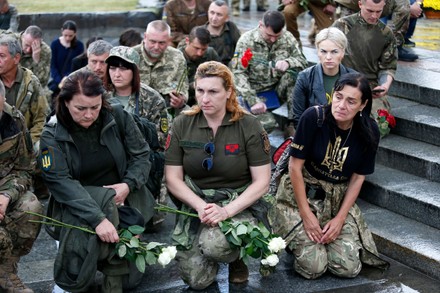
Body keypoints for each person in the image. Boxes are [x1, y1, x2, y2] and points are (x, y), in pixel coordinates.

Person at [39, 70, 154, 292]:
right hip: (79, 207)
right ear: (64, 103)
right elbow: (60, 182)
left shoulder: (118, 116)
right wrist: (99, 219)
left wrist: (128, 184)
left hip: (122, 202)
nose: (89, 115)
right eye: (80, 109)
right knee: (77, 276)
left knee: (130, 281)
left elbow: (141, 155)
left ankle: (112, 249)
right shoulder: (51, 135)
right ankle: (77, 247)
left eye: (95, 107)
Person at [269, 72, 389, 280]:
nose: (341, 105)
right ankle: (295, 241)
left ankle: (320, 241)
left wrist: (340, 218)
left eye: (351, 101)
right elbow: (294, 167)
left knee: (348, 268)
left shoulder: (370, 131)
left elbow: (358, 177)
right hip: (300, 195)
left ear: (363, 105)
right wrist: (306, 215)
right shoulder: (314, 118)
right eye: (339, 96)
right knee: (314, 268)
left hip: (336, 199)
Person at [165, 61, 271, 289]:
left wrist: (226, 211)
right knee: (196, 280)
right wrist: (200, 206)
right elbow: (172, 178)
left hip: (237, 203)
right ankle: (212, 251)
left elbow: (262, 182)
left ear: (229, 91)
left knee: (216, 246)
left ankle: (236, 256)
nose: (205, 99)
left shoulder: (249, 125)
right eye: (200, 91)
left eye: (213, 91)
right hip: (198, 205)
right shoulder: (182, 123)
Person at [0, 80, 43, 293]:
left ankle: (7, 271)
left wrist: (7, 195)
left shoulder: (14, 120)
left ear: (3, 99)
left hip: (4, 187)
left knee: (30, 207)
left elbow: (25, 169)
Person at [232, 10, 307, 131]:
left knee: (293, 76)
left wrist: (288, 62)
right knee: (266, 124)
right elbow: (238, 73)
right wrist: (253, 101)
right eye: (269, 35)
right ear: (261, 25)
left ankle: (294, 125)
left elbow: (302, 61)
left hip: (274, 92)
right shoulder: (246, 41)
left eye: (277, 36)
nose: (273, 40)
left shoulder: (287, 38)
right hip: (251, 94)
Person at [332, 0, 396, 116]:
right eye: (370, 11)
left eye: (378, 11)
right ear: (360, 4)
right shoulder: (342, 26)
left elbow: (388, 66)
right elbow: (327, 53)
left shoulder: (386, 34)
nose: (374, 16)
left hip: (369, 88)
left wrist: (384, 85)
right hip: (341, 84)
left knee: (375, 124)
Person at [291, 27, 356, 129]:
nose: (328, 57)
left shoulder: (355, 79)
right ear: (317, 51)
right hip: (314, 133)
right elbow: (298, 117)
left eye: (334, 52)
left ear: (343, 52)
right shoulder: (305, 77)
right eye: (324, 51)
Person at [104, 45, 168, 148]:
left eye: (123, 68)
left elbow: (163, 137)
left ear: (135, 71)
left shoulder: (153, 99)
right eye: (112, 68)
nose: (117, 74)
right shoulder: (100, 96)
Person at [0, 35, 49, 148]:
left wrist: (28, 144)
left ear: (16, 58)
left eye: (2, 56)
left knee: (43, 149)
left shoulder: (30, 82)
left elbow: (41, 118)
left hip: (24, 143)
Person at [133, 20, 188, 114]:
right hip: (136, 109)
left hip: (167, 111)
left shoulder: (177, 57)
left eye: (162, 43)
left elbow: (182, 86)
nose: (156, 47)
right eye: (152, 41)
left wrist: (180, 100)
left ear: (169, 40)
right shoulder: (132, 56)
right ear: (145, 37)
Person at [335, 0, 417, 61]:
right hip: (350, 4)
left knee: (404, 5)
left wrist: (414, 5)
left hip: (380, 3)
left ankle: (393, 46)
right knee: (344, 38)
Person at [179, 26, 220, 105]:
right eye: (196, 48)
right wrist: (196, 85)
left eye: (204, 49)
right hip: (185, 101)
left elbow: (222, 76)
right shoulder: (177, 57)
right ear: (187, 41)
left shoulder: (210, 54)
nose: (199, 53)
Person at [49, 20, 84, 98]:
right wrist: (60, 81)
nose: (68, 38)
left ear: (75, 33)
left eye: (70, 36)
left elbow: (78, 66)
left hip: (72, 80)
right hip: (57, 81)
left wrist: (67, 78)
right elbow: (53, 65)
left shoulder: (79, 45)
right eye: (65, 35)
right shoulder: (55, 44)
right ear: (62, 31)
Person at [204, 0, 241, 66]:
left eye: (219, 14)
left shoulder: (232, 28)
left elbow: (240, 49)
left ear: (227, 18)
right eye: (212, 13)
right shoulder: (201, 32)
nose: (214, 18)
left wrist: (234, 63)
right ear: (208, 12)